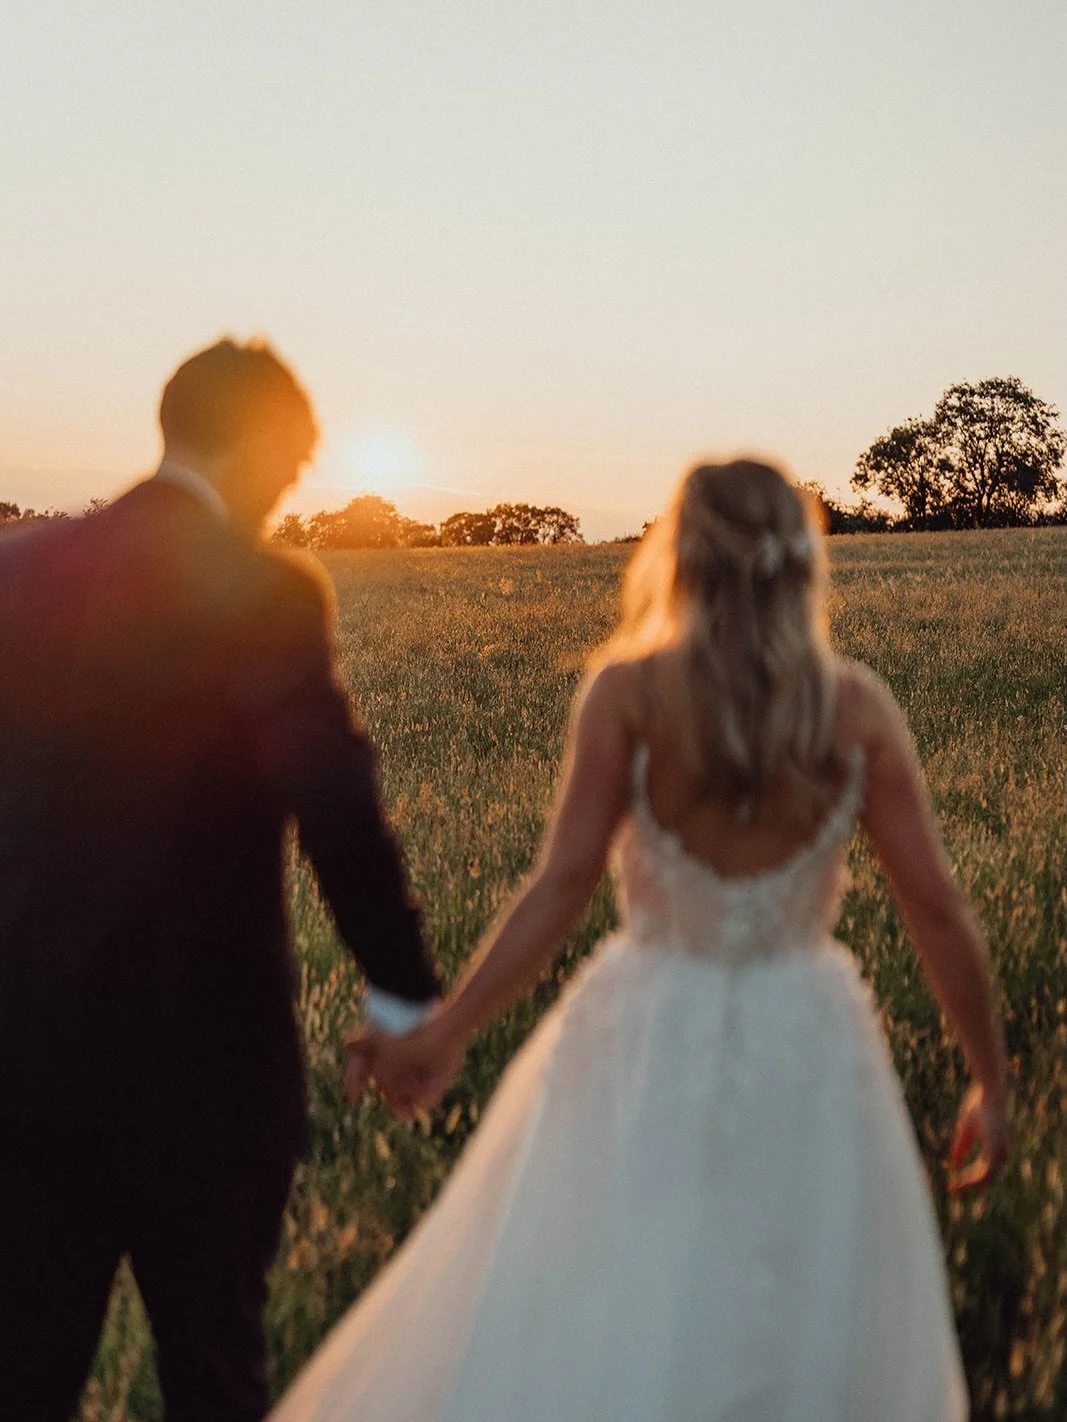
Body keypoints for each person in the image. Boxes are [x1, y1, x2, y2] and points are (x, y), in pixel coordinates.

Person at [273, 458, 1010, 1422]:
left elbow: (562, 886)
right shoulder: (855, 708)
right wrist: (990, 1082)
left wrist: (448, 1031)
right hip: (809, 1040)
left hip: (647, 1030)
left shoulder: (628, 696)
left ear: (681, 557)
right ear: (800, 565)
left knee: (619, 1298)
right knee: (794, 1312)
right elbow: (938, 910)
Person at [0, 338, 442, 1421]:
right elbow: (331, 797)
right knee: (214, 1374)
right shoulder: (264, 589)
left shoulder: (18, 571)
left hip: (27, 1061)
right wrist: (401, 994)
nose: (287, 492)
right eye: (290, 466)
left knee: (21, 1371)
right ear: (256, 445)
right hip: (205, 1074)